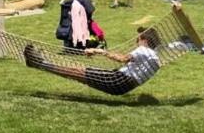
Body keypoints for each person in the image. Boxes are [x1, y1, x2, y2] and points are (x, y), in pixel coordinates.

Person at [24, 28, 161, 96]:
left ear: (145, 40)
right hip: (121, 85)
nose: (136, 41)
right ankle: (40, 62)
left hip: (117, 79)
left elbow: (123, 59)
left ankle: (38, 63)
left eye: (138, 38)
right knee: (78, 72)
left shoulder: (144, 50)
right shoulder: (154, 57)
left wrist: (99, 51)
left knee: (76, 72)